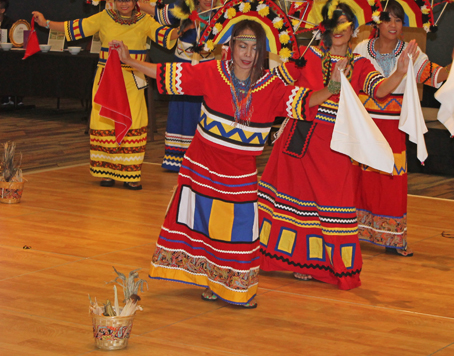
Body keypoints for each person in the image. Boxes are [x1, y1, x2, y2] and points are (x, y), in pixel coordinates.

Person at [114, 19, 336, 308]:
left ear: (263, 52)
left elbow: (304, 102)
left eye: (255, 48)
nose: (247, 54)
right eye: (242, 46)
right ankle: (211, 281)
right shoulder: (211, 72)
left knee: (239, 232)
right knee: (205, 229)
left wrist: (331, 88)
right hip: (202, 168)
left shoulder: (271, 86)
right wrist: (129, 60)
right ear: (231, 47)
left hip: (240, 176)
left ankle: (237, 289)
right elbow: (168, 73)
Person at [257, 3, 414, 290]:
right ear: (326, 30)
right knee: (295, 205)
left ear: (353, 31)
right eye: (335, 25)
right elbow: (272, 82)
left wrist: (400, 72)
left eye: (346, 25)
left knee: (332, 205)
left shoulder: (360, 64)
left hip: (336, 145)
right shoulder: (307, 57)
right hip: (300, 141)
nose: (340, 31)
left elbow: (379, 90)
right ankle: (294, 262)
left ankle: (320, 264)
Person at [353, 0, 454, 256]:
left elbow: (435, 76)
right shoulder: (361, 48)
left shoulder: (411, 52)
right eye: (387, 19)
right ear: (377, 22)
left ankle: (393, 239)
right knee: (360, 180)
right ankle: (355, 232)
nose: (393, 25)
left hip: (392, 127)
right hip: (364, 125)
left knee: (392, 181)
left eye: (398, 20)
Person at [32, 0, 171, 190]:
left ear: (136, 2)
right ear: (112, 1)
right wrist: (46, 23)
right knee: (104, 120)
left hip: (133, 78)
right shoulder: (104, 17)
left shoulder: (145, 20)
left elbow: (166, 36)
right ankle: (107, 172)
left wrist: (186, 28)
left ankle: (130, 175)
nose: (124, 4)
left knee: (133, 120)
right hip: (106, 78)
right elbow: (75, 27)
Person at [139, 0, 217, 172]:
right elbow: (158, 12)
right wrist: (135, 1)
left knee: (205, 110)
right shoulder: (184, 10)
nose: (207, 0)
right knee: (182, 110)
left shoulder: (224, 14)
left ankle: (202, 159)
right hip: (183, 65)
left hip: (208, 68)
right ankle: (179, 159)